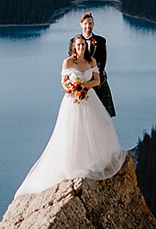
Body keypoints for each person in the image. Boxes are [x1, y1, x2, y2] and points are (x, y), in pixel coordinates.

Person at [14, 34, 125, 197]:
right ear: (73, 46)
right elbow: (63, 82)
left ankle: (94, 160)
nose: (80, 47)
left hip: (89, 98)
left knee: (99, 127)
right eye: (78, 44)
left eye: (82, 44)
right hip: (72, 101)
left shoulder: (91, 61)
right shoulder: (68, 62)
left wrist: (83, 86)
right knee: (73, 132)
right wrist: (73, 89)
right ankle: (74, 164)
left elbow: (96, 80)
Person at [80, 12, 115, 117]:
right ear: (81, 24)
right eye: (85, 23)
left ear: (93, 24)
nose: (88, 26)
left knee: (101, 115)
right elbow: (73, 62)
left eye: (90, 23)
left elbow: (102, 63)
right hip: (80, 80)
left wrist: (93, 79)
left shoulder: (101, 41)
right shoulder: (74, 41)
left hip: (98, 79)